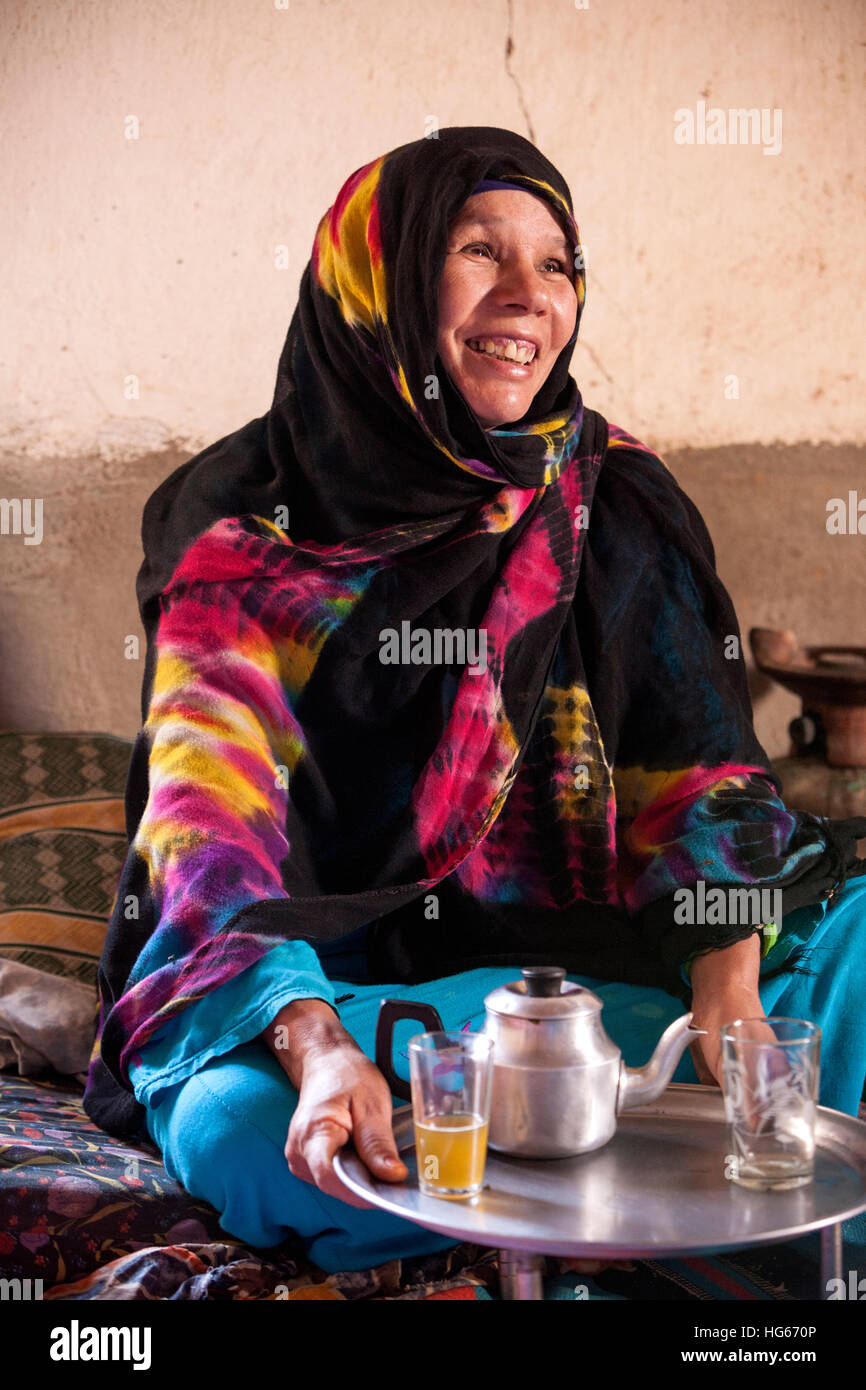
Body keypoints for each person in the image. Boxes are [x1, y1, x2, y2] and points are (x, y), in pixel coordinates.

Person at [83, 126, 866, 1274]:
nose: (526, 296)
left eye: (555, 264)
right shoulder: (240, 526)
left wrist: (730, 1000)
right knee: (236, 1134)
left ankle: (619, 1181)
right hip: (365, 1002)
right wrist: (318, 1053)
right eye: (476, 251)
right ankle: (665, 1213)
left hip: (607, 989)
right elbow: (211, 840)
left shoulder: (612, 494)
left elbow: (698, 776)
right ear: (383, 282)